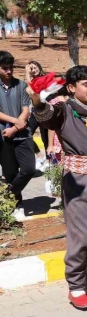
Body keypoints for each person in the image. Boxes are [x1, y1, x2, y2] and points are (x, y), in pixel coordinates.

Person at [29, 65, 87, 309]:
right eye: (85, 84)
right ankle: (77, 287)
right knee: (82, 235)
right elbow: (45, 117)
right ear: (71, 88)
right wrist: (37, 101)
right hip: (77, 181)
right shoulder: (64, 110)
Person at [0, 51, 35, 220]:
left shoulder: (20, 85)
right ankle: (17, 205)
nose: (8, 71)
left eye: (10, 67)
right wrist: (16, 122)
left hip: (22, 135)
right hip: (3, 137)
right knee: (10, 172)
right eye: (4, 68)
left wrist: (16, 126)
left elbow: (26, 109)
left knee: (29, 169)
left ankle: (7, 196)